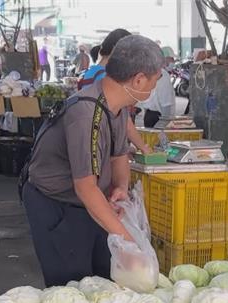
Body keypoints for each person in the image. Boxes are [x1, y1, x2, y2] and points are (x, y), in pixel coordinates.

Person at [21, 35, 163, 287]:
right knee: (72, 286)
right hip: (56, 204)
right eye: (155, 80)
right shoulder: (86, 114)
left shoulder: (118, 106)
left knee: (102, 279)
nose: (154, 88)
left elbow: (120, 154)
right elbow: (85, 188)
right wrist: (131, 244)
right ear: (139, 79)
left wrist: (119, 187)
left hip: (90, 201)